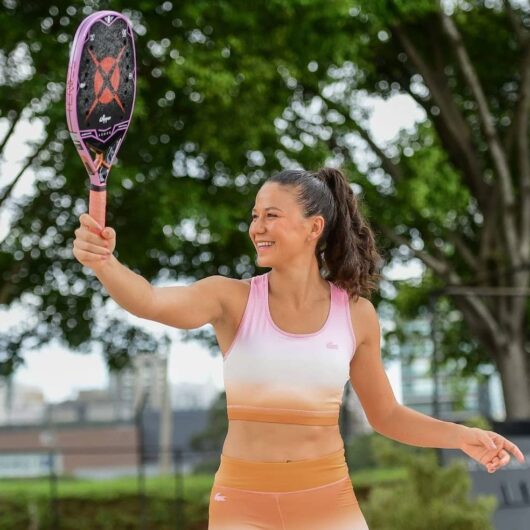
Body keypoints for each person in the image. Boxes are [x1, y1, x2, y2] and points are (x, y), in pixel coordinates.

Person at [73, 167, 525, 530]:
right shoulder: (229, 298)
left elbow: (386, 415)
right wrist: (104, 262)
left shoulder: (357, 315)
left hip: (327, 498)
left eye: (271, 215)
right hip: (241, 501)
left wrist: (461, 436)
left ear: (314, 227)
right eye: (254, 215)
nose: (257, 227)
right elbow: (150, 301)